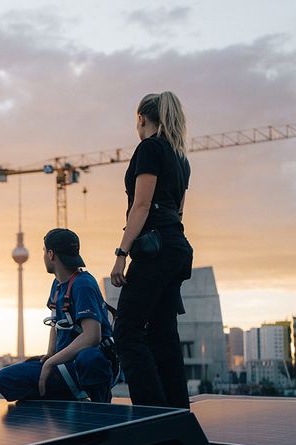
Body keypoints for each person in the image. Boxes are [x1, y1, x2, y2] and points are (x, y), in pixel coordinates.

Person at [110, 91, 193, 409]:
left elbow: (141, 205)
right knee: (163, 334)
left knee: (127, 331)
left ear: (141, 118)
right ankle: (176, 413)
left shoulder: (149, 149)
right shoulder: (181, 158)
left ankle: (151, 415)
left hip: (155, 250)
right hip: (177, 247)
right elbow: (179, 212)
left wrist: (121, 253)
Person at [0, 228, 113, 403]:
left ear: (50, 254)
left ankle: (99, 401)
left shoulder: (83, 284)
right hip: (63, 365)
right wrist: (49, 356)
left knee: (89, 358)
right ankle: (64, 394)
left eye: (44, 251)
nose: (43, 255)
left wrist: (51, 363)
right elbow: (55, 324)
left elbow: (92, 336)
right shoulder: (57, 285)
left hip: (85, 364)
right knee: (4, 378)